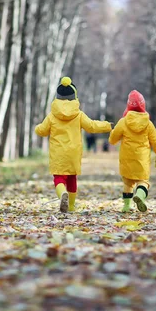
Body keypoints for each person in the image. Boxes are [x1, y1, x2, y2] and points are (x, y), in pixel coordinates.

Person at [35, 77, 112, 213]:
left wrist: (37, 128)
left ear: (57, 97)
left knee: (59, 178)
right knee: (72, 179)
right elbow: (92, 126)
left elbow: (42, 131)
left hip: (58, 153)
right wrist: (106, 125)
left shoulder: (52, 116)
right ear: (74, 96)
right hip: (73, 153)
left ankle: (62, 194)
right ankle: (70, 206)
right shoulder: (79, 115)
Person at [109, 90, 156, 213]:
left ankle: (126, 206)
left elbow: (112, 139)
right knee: (143, 181)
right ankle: (140, 196)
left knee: (128, 183)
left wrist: (115, 138)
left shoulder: (123, 122)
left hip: (126, 159)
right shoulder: (148, 124)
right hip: (142, 160)